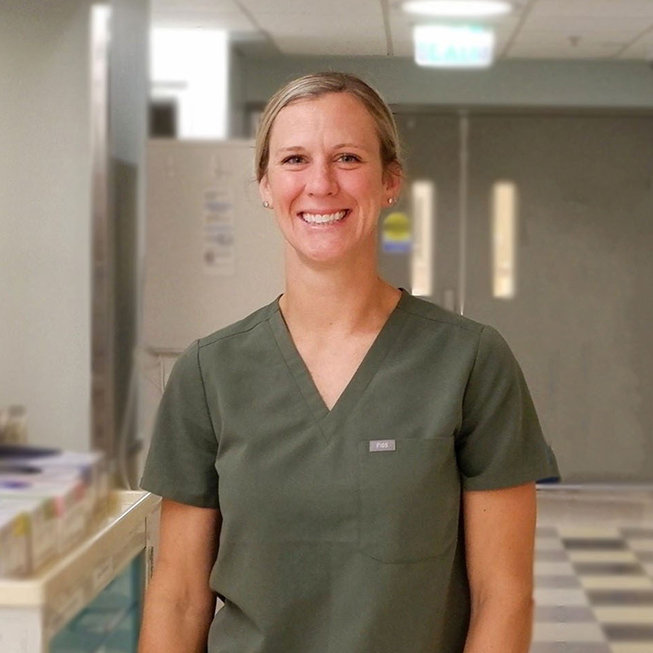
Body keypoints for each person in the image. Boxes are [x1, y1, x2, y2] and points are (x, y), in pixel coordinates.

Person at [138, 72, 559, 653]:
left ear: (390, 181)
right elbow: (179, 595)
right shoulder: (209, 373)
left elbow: (504, 595)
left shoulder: (469, 362)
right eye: (293, 159)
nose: (320, 184)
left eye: (347, 157)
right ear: (264, 183)